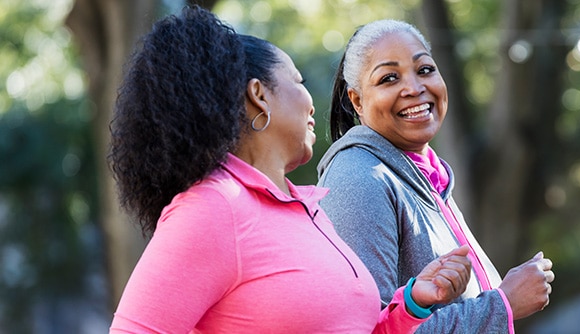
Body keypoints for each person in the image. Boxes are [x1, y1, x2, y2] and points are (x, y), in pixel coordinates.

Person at [107, 7, 473, 333]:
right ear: (259, 95)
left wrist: (412, 304)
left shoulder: (306, 210)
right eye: (297, 81)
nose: (312, 103)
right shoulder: (213, 208)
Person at [317, 19, 555, 333]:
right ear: (357, 100)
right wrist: (503, 303)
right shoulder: (359, 177)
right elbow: (368, 328)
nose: (415, 88)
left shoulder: (426, 177)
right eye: (389, 78)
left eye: (425, 69)